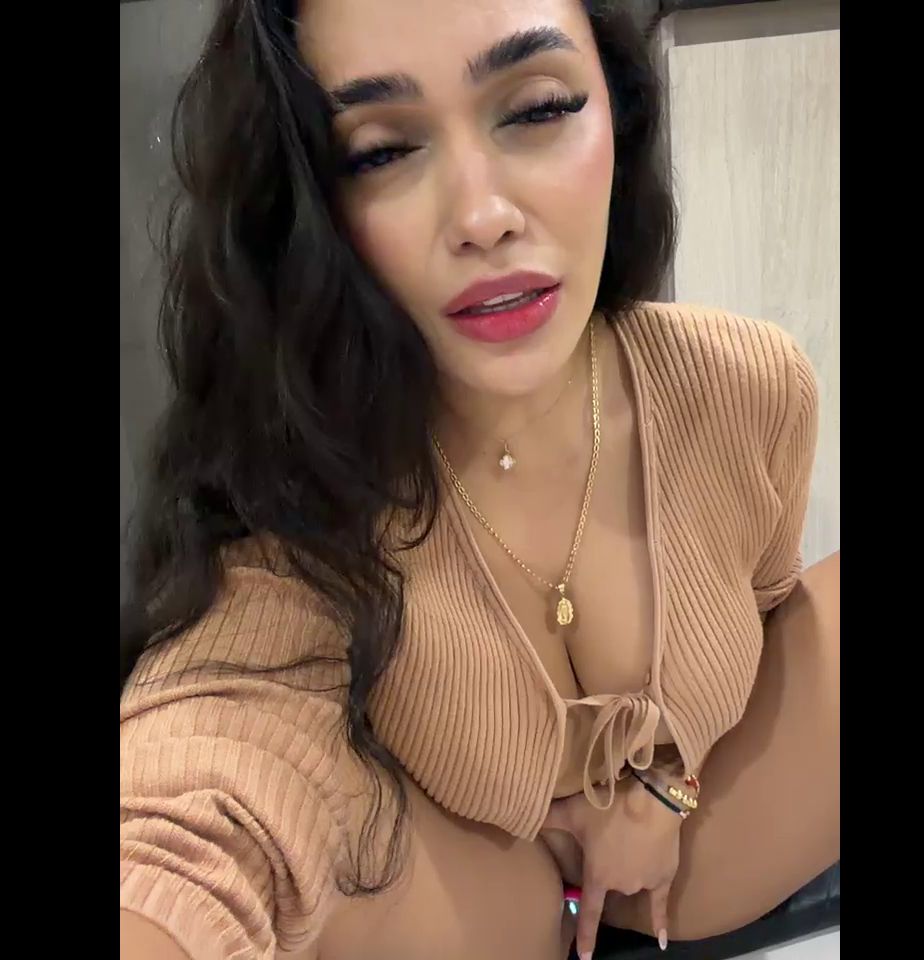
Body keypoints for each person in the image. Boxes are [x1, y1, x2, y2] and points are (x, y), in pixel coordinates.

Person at [119, 2, 840, 958]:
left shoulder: (749, 386)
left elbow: (771, 627)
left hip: (708, 884)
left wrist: (669, 790)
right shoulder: (301, 495)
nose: (482, 217)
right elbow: (208, 800)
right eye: (382, 152)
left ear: (617, 113)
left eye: (537, 109)